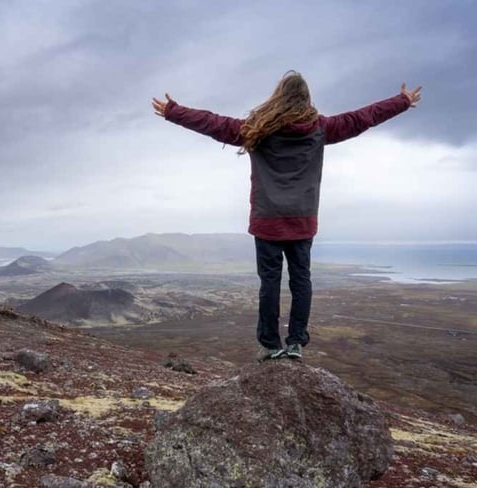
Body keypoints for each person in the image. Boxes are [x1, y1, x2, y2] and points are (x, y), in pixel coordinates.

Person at [152, 71, 421, 361]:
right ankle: (296, 343)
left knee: (270, 283)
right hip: (302, 220)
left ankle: (270, 344)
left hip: (267, 220)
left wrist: (174, 112)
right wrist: (402, 102)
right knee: (301, 281)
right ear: (306, 97)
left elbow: (214, 123)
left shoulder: (257, 129)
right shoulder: (320, 129)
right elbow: (362, 118)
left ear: (278, 96)